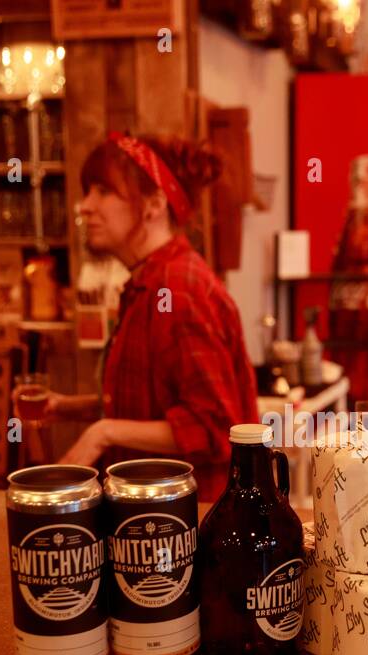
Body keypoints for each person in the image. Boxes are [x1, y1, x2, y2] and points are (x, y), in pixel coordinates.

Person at [49, 132, 258, 502]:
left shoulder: (177, 290)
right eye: (88, 191)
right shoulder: (153, 281)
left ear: (154, 204)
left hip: (189, 526)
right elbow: (155, 406)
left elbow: (216, 427)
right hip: (159, 523)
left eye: (103, 191)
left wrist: (103, 432)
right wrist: (67, 407)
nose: (84, 206)